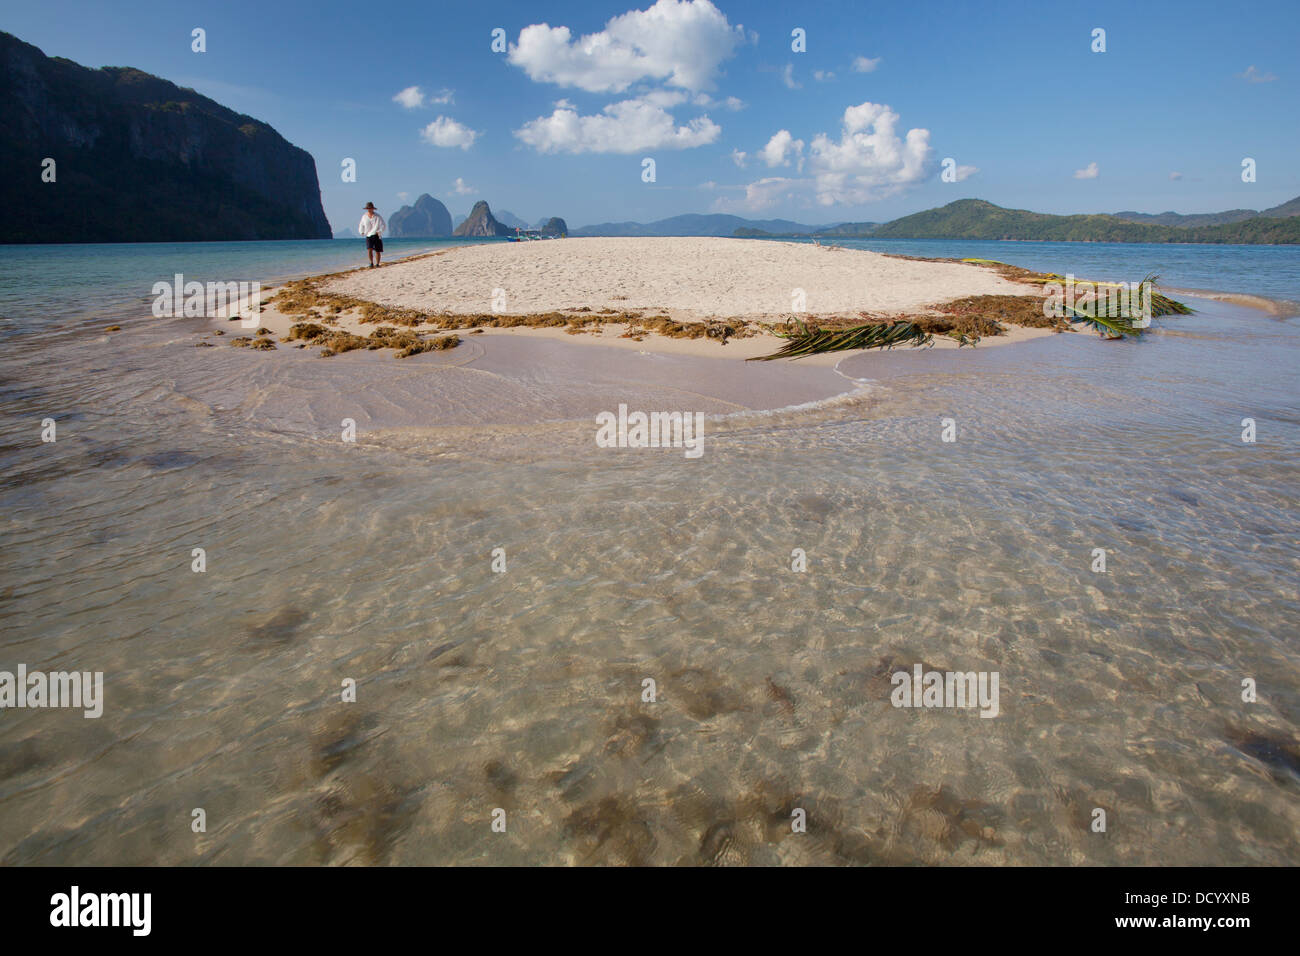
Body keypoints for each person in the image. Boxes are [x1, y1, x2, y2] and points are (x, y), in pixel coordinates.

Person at [358, 202, 386, 268]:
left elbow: (383, 225)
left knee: (377, 250)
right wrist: (361, 232)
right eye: (368, 208)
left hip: (376, 235)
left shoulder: (378, 216)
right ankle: (371, 263)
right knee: (369, 249)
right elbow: (361, 225)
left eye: (370, 208)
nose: (369, 209)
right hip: (368, 235)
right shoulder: (364, 216)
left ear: (373, 209)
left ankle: (378, 264)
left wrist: (379, 231)